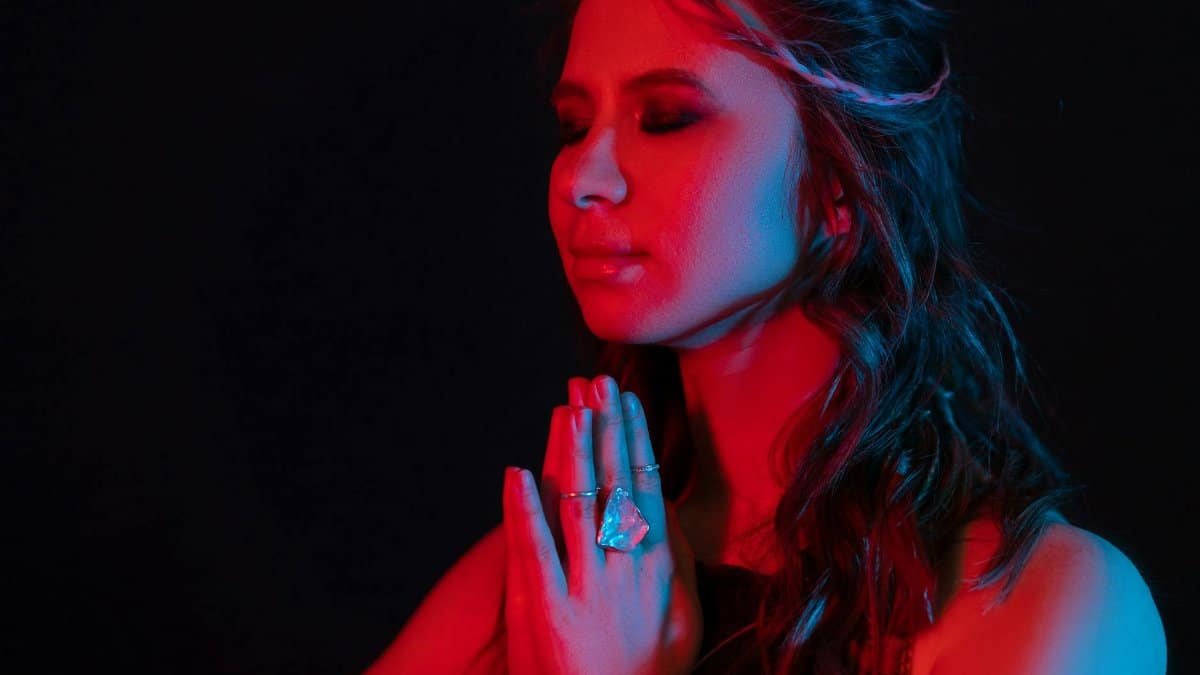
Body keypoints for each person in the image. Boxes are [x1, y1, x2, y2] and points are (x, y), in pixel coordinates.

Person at [366, 0, 1167, 673]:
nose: (582, 177)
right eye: (574, 126)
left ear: (839, 184)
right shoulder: (539, 584)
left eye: (667, 117)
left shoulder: (1044, 605)